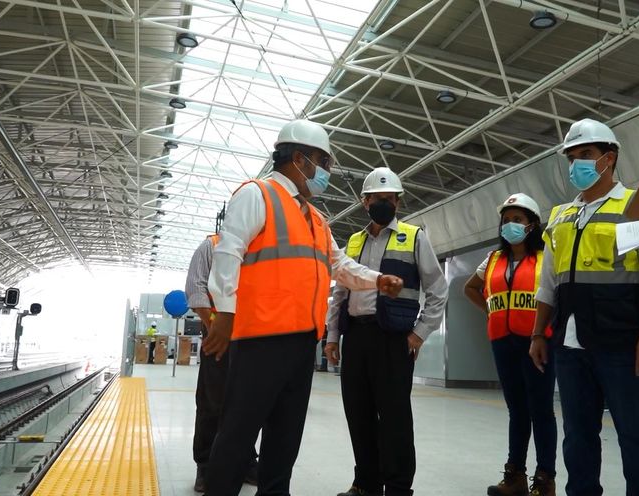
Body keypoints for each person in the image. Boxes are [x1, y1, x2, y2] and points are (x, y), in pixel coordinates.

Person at [202, 119, 404, 496]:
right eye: (322, 162)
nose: (325, 172)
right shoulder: (256, 195)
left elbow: (339, 265)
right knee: (238, 434)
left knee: (285, 437)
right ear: (299, 159)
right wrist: (225, 312)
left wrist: (377, 279)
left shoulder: (316, 219)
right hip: (260, 340)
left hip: (299, 343)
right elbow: (228, 252)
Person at [528, 118, 639, 496]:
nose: (577, 165)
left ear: (609, 157)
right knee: (577, 436)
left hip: (622, 342)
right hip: (570, 344)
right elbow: (548, 282)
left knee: (635, 433)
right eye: (571, 158)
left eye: (585, 155)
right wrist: (539, 332)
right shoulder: (559, 216)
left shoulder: (637, 205)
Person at [324, 167, 449, 496]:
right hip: (356, 336)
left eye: (391, 198)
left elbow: (438, 290)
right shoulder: (353, 241)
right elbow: (340, 292)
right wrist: (333, 336)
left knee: (394, 418)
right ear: (365, 202)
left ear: (397, 201)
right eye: (379, 198)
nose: (386, 203)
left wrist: (419, 334)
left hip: (394, 339)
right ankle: (366, 482)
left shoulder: (414, 237)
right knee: (358, 413)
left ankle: (396, 487)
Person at [463, 193, 556, 496]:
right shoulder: (492, 259)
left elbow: (556, 294)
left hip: (537, 341)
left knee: (541, 409)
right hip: (502, 342)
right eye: (506, 220)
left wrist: (542, 329)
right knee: (517, 410)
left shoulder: (546, 256)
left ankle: (545, 479)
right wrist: (490, 309)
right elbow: (471, 288)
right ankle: (514, 475)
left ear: (532, 225)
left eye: (518, 219)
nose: (510, 225)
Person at [185, 234, 258, 493]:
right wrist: (214, 326)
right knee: (212, 400)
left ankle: (248, 460)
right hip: (218, 334)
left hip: (253, 336)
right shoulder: (211, 245)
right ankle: (205, 464)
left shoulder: (261, 247)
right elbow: (195, 288)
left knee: (248, 402)